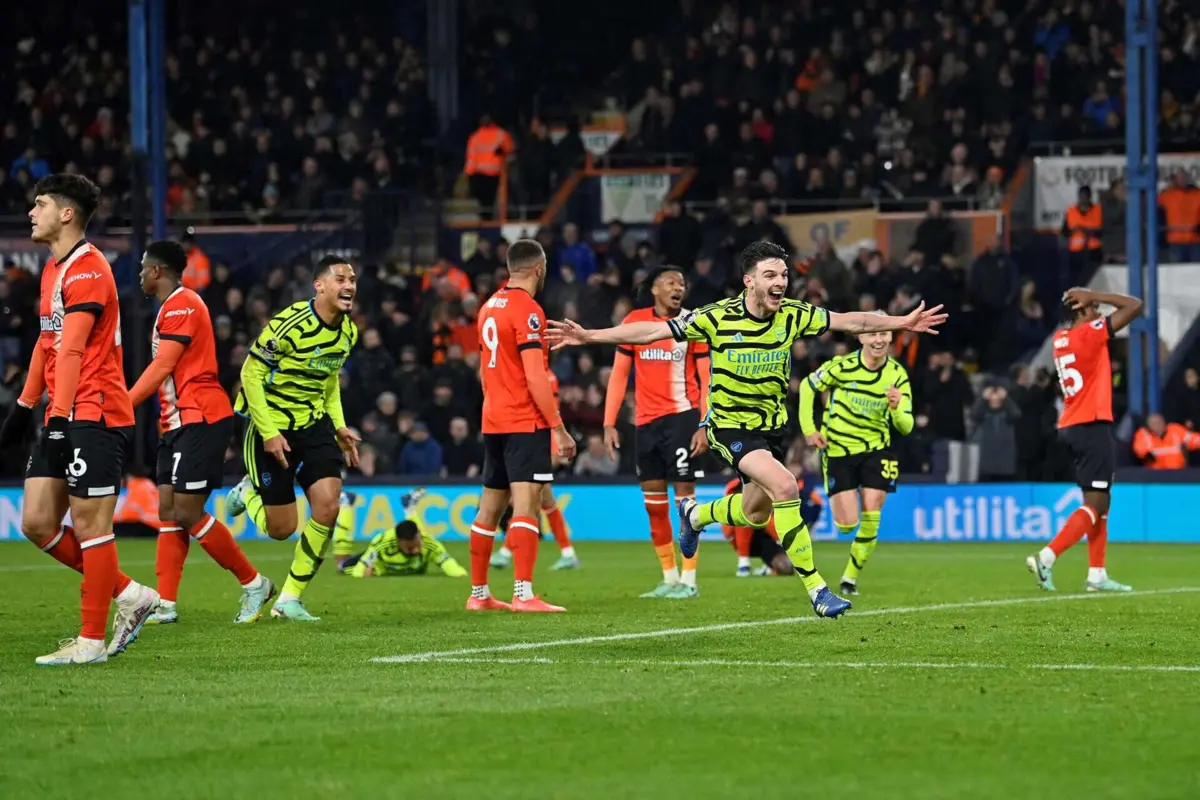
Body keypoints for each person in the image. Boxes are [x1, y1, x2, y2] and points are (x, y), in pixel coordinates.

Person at [547, 241, 946, 617]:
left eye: (784, 275)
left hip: (771, 428)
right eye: (771, 274)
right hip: (730, 425)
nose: (780, 282)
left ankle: (697, 516)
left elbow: (850, 321)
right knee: (786, 487)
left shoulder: (793, 314)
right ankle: (818, 590)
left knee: (755, 512)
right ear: (749, 280)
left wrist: (902, 322)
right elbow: (651, 331)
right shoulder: (717, 317)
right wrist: (590, 335)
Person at [0, 174, 159, 664]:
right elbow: (49, 344)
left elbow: (72, 348)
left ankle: (90, 642)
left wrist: (60, 416)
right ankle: (132, 595)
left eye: (40, 204)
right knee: (37, 522)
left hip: (94, 412)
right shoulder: (53, 270)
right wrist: (26, 406)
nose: (32, 212)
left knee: (92, 526)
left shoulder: (89, 269)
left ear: (66, 214)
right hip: (63, 408)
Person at [126, 240, 276, 625]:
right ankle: (166, 602)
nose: (140, 275)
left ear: (157, 271)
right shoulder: (169, 308)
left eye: (144, 268)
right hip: (174, 422)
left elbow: (163, 367)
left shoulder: (183, 304)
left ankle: (253, 582)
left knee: (187, 510)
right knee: (167, 511)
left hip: (201, 416)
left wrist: (123, 403)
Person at [225, 256, 362, 621]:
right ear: (319, 285)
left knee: (328, 506)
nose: (348, 286)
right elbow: (249, 375)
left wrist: (339, 426)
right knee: (281, 529)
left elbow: (329, 381)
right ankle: (245, 493)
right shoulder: (289, 325)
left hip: (313, 424)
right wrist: (269, 433)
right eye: (340, 279)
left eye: (352, 279)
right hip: (269, 423)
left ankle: (288, 598)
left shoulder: (348, 332)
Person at [466, 239, 577, 612]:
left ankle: (479, 595)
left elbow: (484, 371)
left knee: (489, 508)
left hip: (493, 417)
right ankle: (523, 594)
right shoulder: (528, 310)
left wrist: (493, 404)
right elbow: (536, 376)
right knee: (526, 505)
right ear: (539, 269)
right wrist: (558, 427)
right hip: (523, 420)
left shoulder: (488, 307)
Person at [602, 266, 711, 599]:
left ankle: (690, 580)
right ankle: (669, 577)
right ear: (654, 289)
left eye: (682, 283)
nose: (678, 287)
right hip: (645, 424)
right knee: (653, 504)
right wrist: (608, 422)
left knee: (685, 502)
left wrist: (705, 424)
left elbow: (707, 378)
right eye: (670, 282)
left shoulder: (694, 323)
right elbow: (620, 375)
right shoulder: (635, 321)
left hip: (682, 418)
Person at [1027, 287, 1143, 592]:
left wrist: (1090, 300)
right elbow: (1135, 305)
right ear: (1081, 311)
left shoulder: (1060, 340)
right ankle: (1046, 557)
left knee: (1100, 501)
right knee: (1095, 502)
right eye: (1093, 309)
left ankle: (1097, 575)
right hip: (1092, 425)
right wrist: (1096, 294)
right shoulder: (1088, 334)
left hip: (1073, 424)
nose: (1099, 313)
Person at [798, 316, 913, 596]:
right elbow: (806, 386)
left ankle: (849, 578)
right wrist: (809, 430)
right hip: (839, 450)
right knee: (847, 524)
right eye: (872, 333)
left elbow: (906, 426)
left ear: (890, 338)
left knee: (873, 510)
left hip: (877, 449)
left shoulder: (897, 375)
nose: (878, 339)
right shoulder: (842, 366)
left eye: (884, 333)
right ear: (861, 337)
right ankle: (849, 552)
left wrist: (897, 407)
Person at [491, 371, 579, 570]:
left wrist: (554, 449)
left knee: (529, 500)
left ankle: (506, 553)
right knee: (540, 501)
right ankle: (567, 552)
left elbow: (550, 410)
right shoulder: (539, 374)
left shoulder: (545, 376)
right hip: (532, 442)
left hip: (539, 443)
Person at [333, 487, 426, 572]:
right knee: (418, 541)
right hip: (385, 550)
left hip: (383, 549)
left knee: (341, 563)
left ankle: (345, 505)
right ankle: (409, 508)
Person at [342, 520, 467, 578]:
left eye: (415, 545)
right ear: (398, 541)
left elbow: (448, 563)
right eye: (409, 547)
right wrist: (362, 575)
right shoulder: (381, 543)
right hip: (380, 567)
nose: (414, 550)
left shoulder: (429, 544)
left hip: (408, 568)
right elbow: (360, 568)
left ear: (419, 535)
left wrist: (460, 574)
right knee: (343, 568)